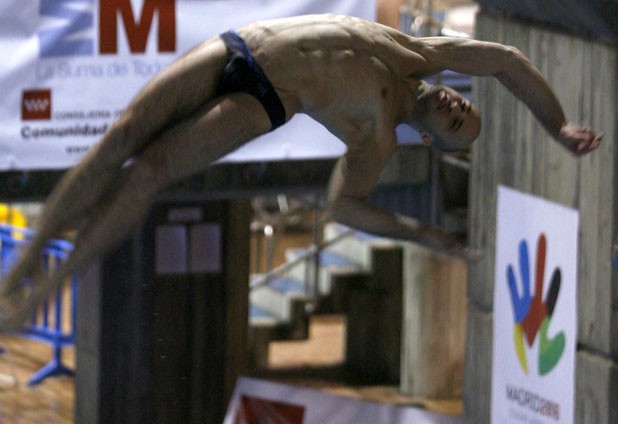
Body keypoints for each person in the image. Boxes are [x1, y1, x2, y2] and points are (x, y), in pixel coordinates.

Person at [0, 14, 602, 330]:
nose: (455, 108)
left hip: (264, 98)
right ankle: (20, 272)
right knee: (122, 135)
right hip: (241, 45)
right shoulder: (426, 54)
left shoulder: (376, 140)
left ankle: (48, 289)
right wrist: (557, 125)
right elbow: (508, 61)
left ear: (429, 139)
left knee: (149, 171)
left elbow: (343, 206)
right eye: (464, 106)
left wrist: (423, 235)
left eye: (456, 124)